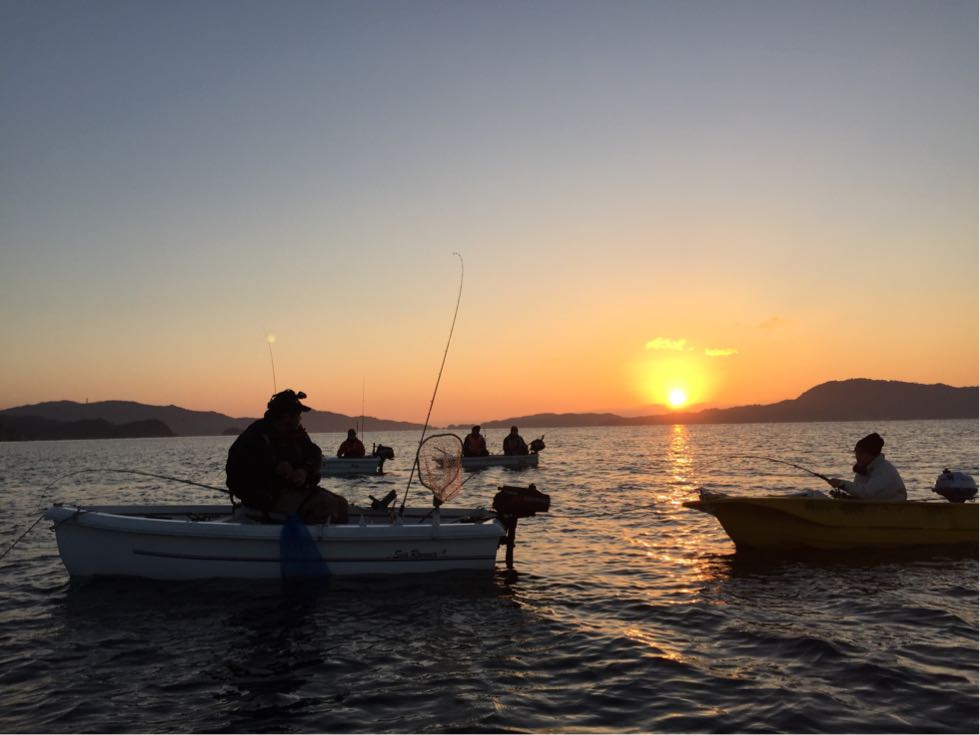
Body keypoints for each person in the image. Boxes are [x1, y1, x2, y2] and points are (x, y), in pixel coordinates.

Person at [226, 389, 349, 523]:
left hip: (296, 492)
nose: (300, 419)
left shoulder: (296, 433)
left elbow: (314, 453)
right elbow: (237, 473)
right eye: (298, 415)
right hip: (269, 498)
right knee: (324, 507)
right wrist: (274, 467)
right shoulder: (255, 436)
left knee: (342, 504)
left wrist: (304, 470)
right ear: (286, 416)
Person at [826, 432, 907, 501]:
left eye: (861, 453)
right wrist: (845, 497)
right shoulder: (863, 469)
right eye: (856, 452)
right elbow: (860, 495)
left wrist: (842, 484)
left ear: (872, 454)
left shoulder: (884, 470)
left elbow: (867, 494)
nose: (857, 456)